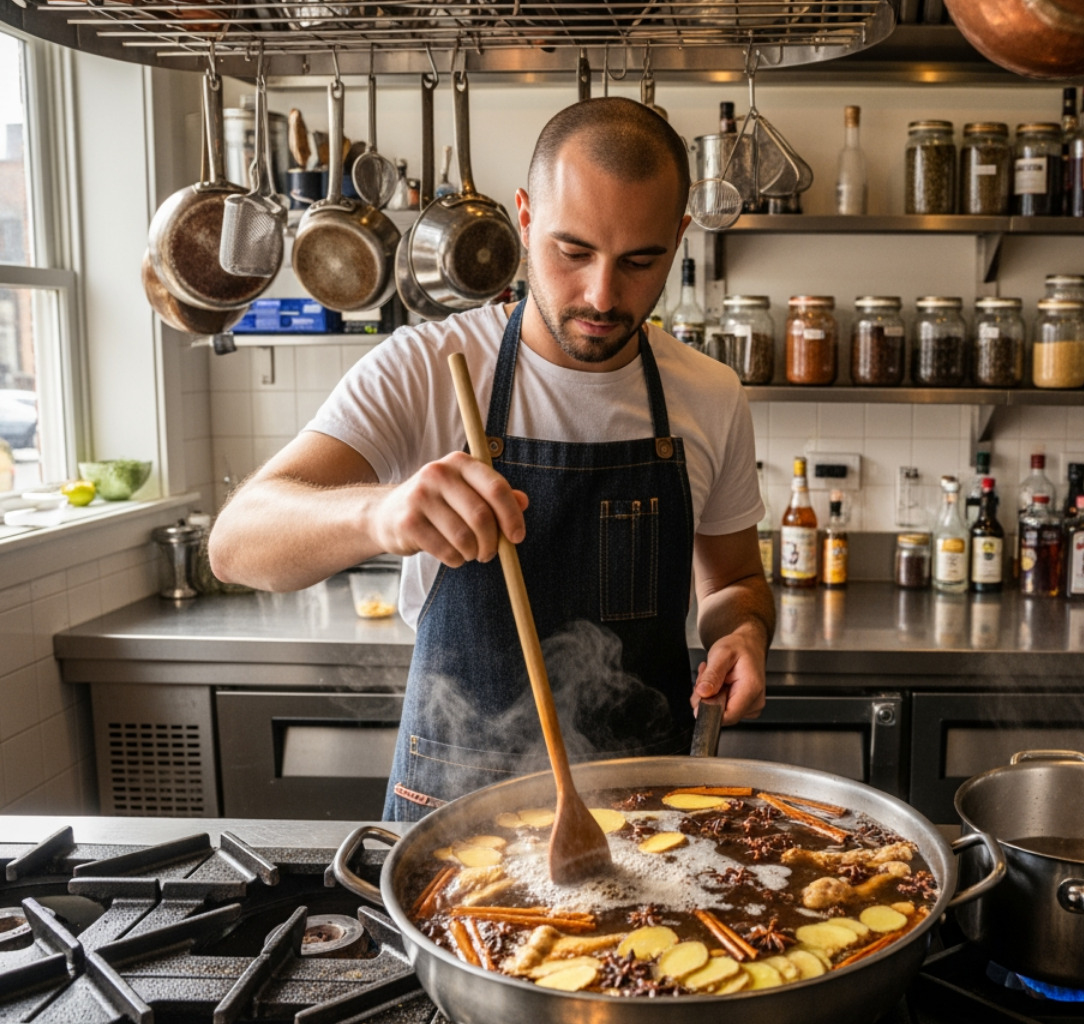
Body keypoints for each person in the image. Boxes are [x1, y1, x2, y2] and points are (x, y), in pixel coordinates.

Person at [210, 98, 773, 821]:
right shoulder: (426, 366)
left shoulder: (710, 394)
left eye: (640, 260)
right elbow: (236, 545)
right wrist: (380, 513)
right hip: (456, 813)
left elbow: (733, 581)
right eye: (572, 252)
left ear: (679, 236)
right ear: (526, 219)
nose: (602, 294)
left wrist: (744, 632)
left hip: (649, 812)